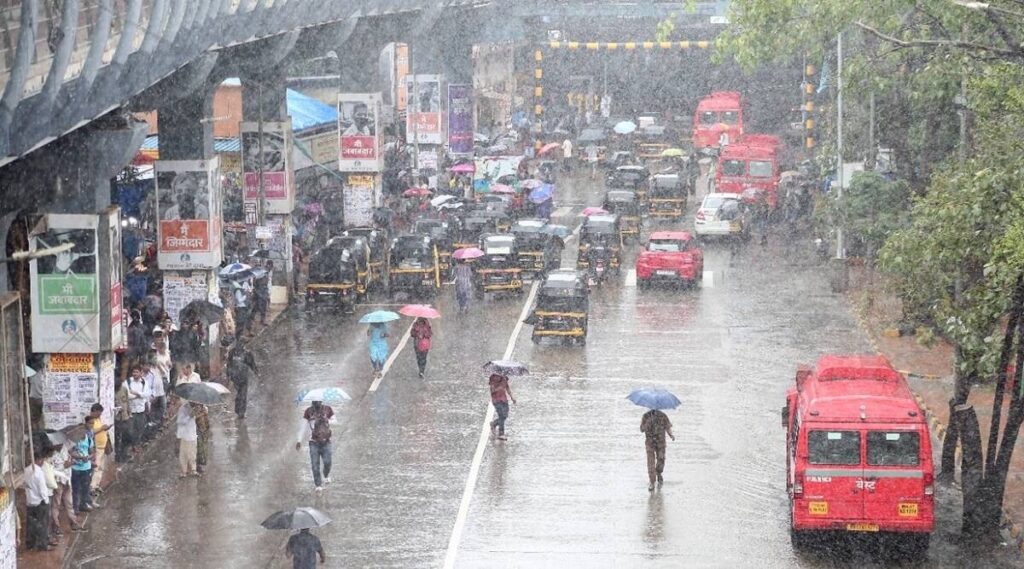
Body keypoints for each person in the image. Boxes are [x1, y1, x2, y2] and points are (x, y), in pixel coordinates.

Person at [296, 401, 334, 492]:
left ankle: (326, 474)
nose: (317, 403)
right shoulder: (308, 412)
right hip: (313, 442)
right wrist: (299, 440)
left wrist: (326, 419)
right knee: (315, 464)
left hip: (326, 441)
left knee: (328, 462)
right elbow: (303, 426)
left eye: (318, 401)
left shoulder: (328, 409)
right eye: (315, 401)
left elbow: (335, 421)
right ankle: (318, 484)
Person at [49, 439, 84, 535]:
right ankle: (55, 526)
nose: (59, 444)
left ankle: (73, 523)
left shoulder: (64, 448)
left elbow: (69, 457)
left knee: (69, 502)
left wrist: (71, 461)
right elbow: (56, 468)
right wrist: (69, 463)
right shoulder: (51, 455)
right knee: (56, 504)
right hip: (58, 481)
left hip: (67, 480)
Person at [640, 408, 675, 491]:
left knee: (661, 459)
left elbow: (668, 427)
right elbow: (641, 429)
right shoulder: (646, 416)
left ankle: (659, 473)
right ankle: (652, 482)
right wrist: (647, 423)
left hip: (661, 443)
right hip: (650, 443)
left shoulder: (662, 415)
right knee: (650, 462)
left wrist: (671, 435)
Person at [24, 451, 52, 551]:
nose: (42, 462)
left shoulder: (25, 471)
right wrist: (46, 500)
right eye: (41, 460)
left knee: (30, 524)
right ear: (37, 459)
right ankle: (42, 545)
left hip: (30, 501)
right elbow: (42, 489)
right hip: (40, 502)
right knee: (42, 524)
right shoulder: (38, 471)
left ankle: (30, 544)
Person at [69, 422, 97, 513]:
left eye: (82, 430)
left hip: (86, 467)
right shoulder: (73, 441)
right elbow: (70, 452)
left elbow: (92, 452)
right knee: (75, 489)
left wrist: (89, 458)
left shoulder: (89, 440)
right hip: (75, 468)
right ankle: (75, 507)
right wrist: (80, 457)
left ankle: (83, 504)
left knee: (85, 488)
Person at [87, 404, 112, 497]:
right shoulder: (90, 420)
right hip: (96, 447)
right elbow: (90, 433)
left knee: (101, 467)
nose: (100, 415)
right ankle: (92, 487)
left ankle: (96, 485)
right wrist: (102, 428)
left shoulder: (98, 419)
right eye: (99, 413)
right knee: (96, 468)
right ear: (95, 411)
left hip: (102, 446)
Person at [228, 343, 257, 419]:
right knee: (240, 394)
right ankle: (239, 410)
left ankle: (241, 412)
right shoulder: (232, 352)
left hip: (242, 377)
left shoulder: (247, 353)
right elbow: (229, 363)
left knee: (242, 394)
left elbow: (252, 364)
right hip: (236, 377)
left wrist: (256, 371)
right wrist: (229, 374)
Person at [127, 366, 148, 454]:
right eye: (134, 372)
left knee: (140, 428)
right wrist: (139, 395)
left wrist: (136, 393)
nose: (135, 374)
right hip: (131, 410)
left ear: (140, 373)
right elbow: (128, 395)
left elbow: (146, 394)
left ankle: (136, 444)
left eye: (137, 372)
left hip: (140, 410)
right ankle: (132, 445)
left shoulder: (144, 382)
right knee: (130, 430)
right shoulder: (128, 382)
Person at [488, 373, 516, 441]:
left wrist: (512, 398)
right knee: (501, 416)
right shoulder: (493, 379)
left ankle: (494, 423)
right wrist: (498, 388)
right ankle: (501, 433)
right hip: (496, 400)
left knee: (505, 416)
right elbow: (492, 391)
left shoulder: (504, 379)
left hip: (504, 400)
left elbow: (507, 388)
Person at [176, 403, 199, 478]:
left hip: (192, 433)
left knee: (193, 452)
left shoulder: (197, 407)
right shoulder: (183, 408)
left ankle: (193, 469)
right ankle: (184, 471)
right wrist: (189, 416)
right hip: (185, 434)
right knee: (184, 453)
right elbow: (179, 421)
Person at [113, 379, 132, 463]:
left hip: (125, 417)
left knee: (127, 437)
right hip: (116, 419)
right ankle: (118, 456)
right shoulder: (111, 391)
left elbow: (127, 401)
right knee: (117, 438)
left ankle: (124, 454)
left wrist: (129, 413)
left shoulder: (124, 389)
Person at [253, 260, 273, 326]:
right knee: (258, 306)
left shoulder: (267, 272)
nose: (270, 269)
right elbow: (255, 280)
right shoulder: (262, 271)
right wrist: (256, 290)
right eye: (270, 267)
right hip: (260, 290)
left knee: (263, 306)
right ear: (268, 265)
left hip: (264, 289)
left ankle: (262, 320)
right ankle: (251, 321)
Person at [194, 403, 211, 473]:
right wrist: (201, 414)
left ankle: (201, 462)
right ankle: (198, 464)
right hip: (196, 430)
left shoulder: (204, 408)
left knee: (203, 447)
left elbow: (207, 421)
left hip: (204, 430)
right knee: (199, 446)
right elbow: (192, 418)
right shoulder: (194, 408)